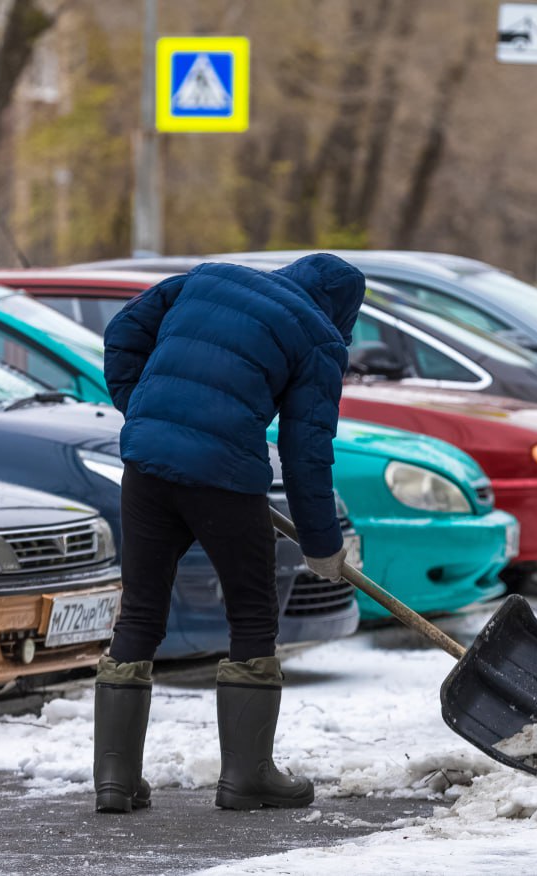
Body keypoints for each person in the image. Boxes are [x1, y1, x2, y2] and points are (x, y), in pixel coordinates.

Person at [94, 253, 366, 814]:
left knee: (141, 611)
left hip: (145, 466)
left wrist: (148, 416)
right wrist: (322, 545)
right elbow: (306, 451)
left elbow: (122, 331)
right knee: (252, 614)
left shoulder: (208, 277)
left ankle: (115, 781)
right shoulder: (318, 337)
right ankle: (247, 777)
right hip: (224, 477)